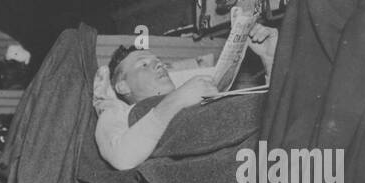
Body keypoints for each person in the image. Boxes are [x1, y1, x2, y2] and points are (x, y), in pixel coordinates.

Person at [95, 24, 278, 171]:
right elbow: (121, 158)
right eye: (143, 64)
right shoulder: (118, 114)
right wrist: (177, 99)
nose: (159, 66)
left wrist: (271, 61)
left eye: (159, 62)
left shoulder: (195, 94)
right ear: (123, 86)